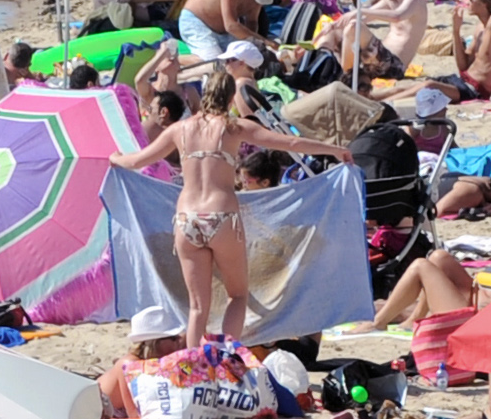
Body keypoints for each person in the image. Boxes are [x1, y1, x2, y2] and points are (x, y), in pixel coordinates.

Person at [116, 74, 349, 350]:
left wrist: (112, 158)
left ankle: (194, 367)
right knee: (237, 296)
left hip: (186, 220)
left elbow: (137, 160)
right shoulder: (234, 128)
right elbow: (290, 143)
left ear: (204, 96)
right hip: (221, 217)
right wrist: (335, 150)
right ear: (229, 99)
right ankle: (226, 358)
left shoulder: (180, 130)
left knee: (197, 308)